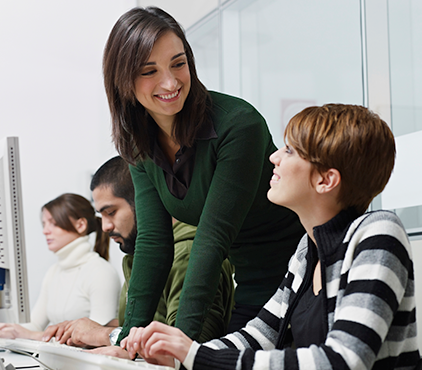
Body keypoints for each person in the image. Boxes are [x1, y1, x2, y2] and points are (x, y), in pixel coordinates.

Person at [122, 104, 420, 370]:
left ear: (325, 180)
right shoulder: (307, 249)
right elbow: (258, 336)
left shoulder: (378, 233)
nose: (274, 157)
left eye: (290, 151)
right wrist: (178, 354)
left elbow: (344, 359)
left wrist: (196, 356)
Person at [103, 6, 305, 344]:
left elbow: (211, 241)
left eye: (178, 64)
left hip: (301, 281)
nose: (170, 82)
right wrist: (127, 342)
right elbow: (153, 243)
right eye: (149, 71)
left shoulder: (238, 125)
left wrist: (180, 343)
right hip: (252, 287)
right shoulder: (139, 146)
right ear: (123, 80)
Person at [42, 156, 235, 357]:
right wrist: (83, 331)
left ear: (145, 202)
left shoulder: (187, 253)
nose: (105, 226)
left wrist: (104, 335)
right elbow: (140, 328)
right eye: (102, 216)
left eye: (111, 212)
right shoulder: (136, 259)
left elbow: (186, 348)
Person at [0, 193, 120, 340]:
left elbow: (98, 339)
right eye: (44, 224)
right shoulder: (54, 272)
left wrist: (32, 336)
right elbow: (34, 325)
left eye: (53, 223)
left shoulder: (101, 273)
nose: (45, 231)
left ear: (80, 225)